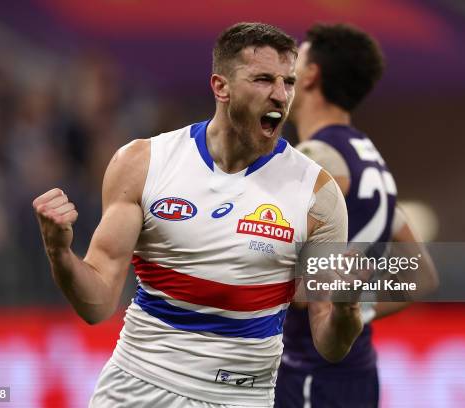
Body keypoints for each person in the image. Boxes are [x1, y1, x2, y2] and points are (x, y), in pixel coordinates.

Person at [33, 22, 363, 408]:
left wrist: (346, 310)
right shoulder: (144, 163)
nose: (280, 95)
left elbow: (331, 345)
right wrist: (59, 252)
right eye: (263, 79)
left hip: (241, 398)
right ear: (220, 87)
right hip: (138, 388)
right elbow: (97, 305)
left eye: (288, 82)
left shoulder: (316, 194)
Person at [274, 23, 438, 408]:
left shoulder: (318, 158)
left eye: (296, 56)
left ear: (310, 74)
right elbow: (422, 277)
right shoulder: (369, 157)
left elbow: (301, 290)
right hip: (357, 370)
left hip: (308, 372)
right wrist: (356, 311)